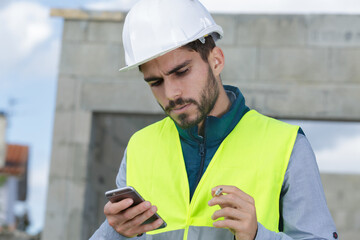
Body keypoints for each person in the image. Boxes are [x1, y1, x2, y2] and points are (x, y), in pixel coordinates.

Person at [90, 0, 338, 239]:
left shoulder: (287, 146)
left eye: (182, 72)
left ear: (216, 60)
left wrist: (256, 236)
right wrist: (114, 233)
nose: (171, 93)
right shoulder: (140, 147)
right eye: (156, 82)